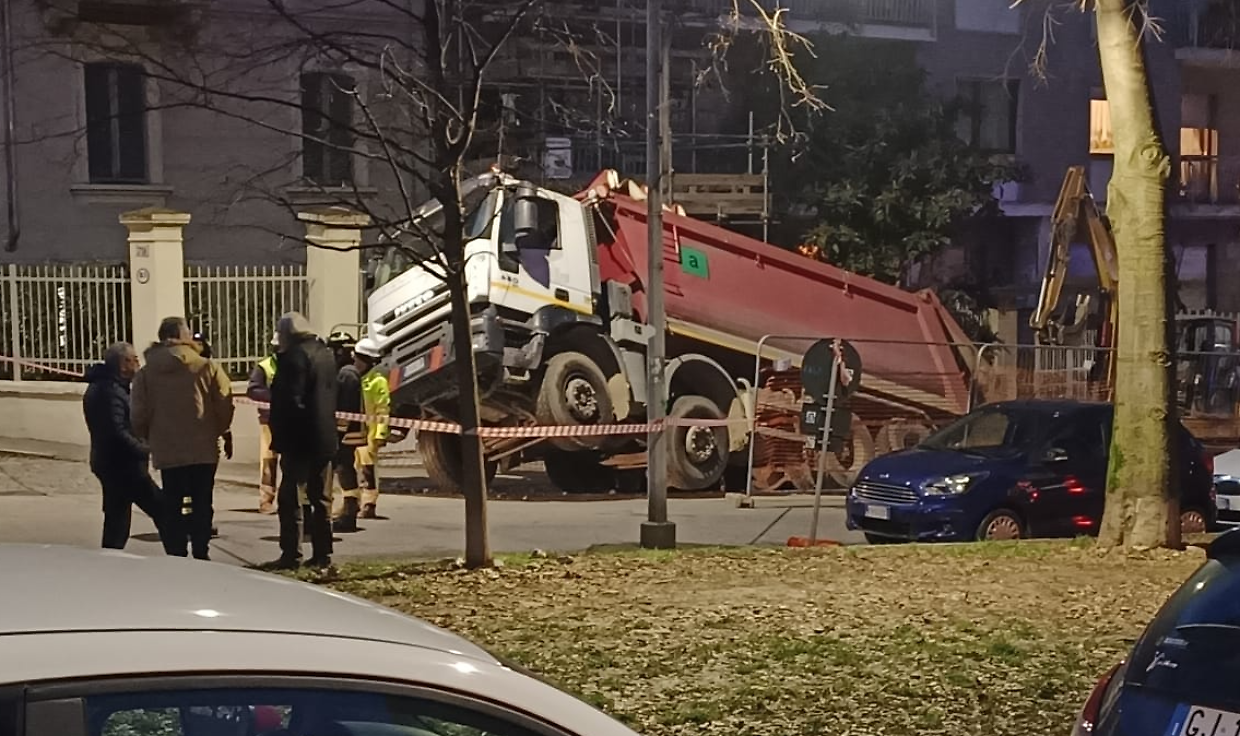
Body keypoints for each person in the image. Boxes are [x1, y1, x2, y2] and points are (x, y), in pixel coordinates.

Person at [132, 317, 235, 561]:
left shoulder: (146, 373)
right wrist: (218, 430)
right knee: (202, 501)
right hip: (203, 447)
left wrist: (147, 436)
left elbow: (138, 413)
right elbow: (224, 405)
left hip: (167, 447)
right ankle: (201, 550)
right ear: (182, 335)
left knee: (172, 502)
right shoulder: (207, 367)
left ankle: (175, 552)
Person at [82, 342, 171, 551]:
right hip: (121, 465)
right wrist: (144, 449)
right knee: (161, 509)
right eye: (135, 360)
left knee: (117, 517)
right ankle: (177, 555)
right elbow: (116, 431)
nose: (138, 364)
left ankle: (111, 556)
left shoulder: (113, 387)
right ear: (124, 364)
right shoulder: (108, 391)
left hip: (114, 463)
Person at [268, 312, 338, 568]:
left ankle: (291, 554)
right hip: (325, 436)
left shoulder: (293, 358)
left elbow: (290, 401)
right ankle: (322, 554)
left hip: (299, 439)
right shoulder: (325, 354)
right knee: (321, 498)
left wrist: (281, 434)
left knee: (291, 498)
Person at [328, 332, 364, 533]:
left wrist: (339, 431)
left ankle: (350, 512)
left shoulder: (346, 374)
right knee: (343, 469)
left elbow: (347, 408)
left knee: (344, 469)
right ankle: (348, 509)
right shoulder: (346, 371)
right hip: (347, 431)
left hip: (346, 433)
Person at [353, 337, 390, 520]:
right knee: (354, 467)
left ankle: (369, 504)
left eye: (359, 359)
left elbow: (383, 409)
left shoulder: (377, 381)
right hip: (354, 430)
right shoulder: (354, 378)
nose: (356, 362)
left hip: (370, 432)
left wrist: (381, 433)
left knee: (368, 468)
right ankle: (353, 502)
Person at [247, 332, 281, 514]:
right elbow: (253, 389)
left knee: (292, 462)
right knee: (269, 460)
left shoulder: (296, 365)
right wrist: (275, 398)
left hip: (292, 420)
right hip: (269, 420)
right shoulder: (264, 366)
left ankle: (291, 499)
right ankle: (266, 500)